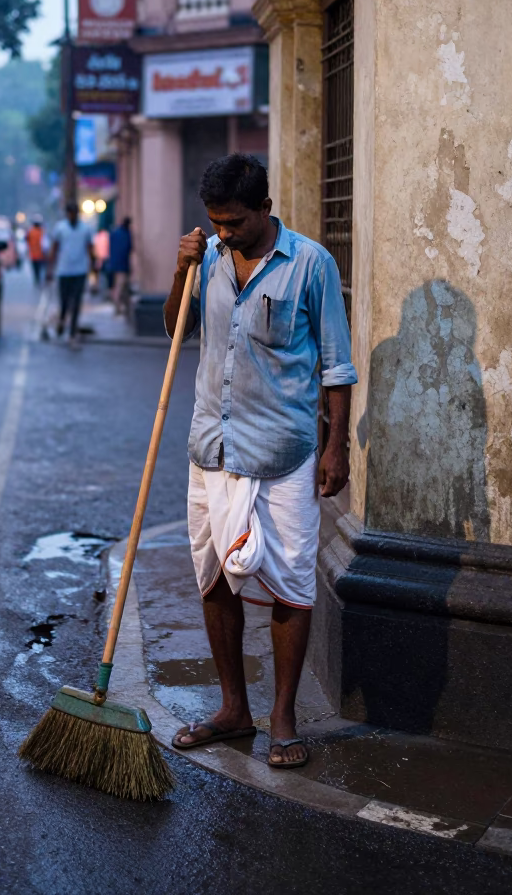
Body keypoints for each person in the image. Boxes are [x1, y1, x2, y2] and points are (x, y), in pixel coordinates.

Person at [164, 154, 356, 769]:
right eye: (216, 221)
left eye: (236, 222)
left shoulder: (310, 264)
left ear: (265, 210)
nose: (225, 232)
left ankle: (283, 717)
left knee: (292, 585)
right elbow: (176, 334)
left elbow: (337, 366)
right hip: (210, 448)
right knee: (213, 576)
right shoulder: (208, 261)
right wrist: (181, 272)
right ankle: (232, 709)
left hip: (284, 454)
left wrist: (336, 446)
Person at [47, 201, 93, 348]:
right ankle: (61, 321)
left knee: (76, 303)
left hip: (80, 270)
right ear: (67, 214)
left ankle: (72, 333)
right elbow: (54, 249)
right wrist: (50, 268)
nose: (72, 216)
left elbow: (89, 248)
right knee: (65, 302)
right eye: (70, 213)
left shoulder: (85, 229)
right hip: (64, 270)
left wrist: (93, 267)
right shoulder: (60, 228)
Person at [108, 217, 133, 315]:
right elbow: (128, 248)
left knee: (122, 285)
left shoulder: (115, 233)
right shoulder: (126, 234)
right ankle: (117, 306)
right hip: (122, 264)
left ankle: (123, 307)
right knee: (121, 285)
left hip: (114, 263)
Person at [26, 215, 46, 288]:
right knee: (39, 269)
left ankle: (37, 279)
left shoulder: (31, 231)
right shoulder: (41, 231)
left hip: (35, 254)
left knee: (36, 269)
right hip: (39, 254)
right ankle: (38, 280)